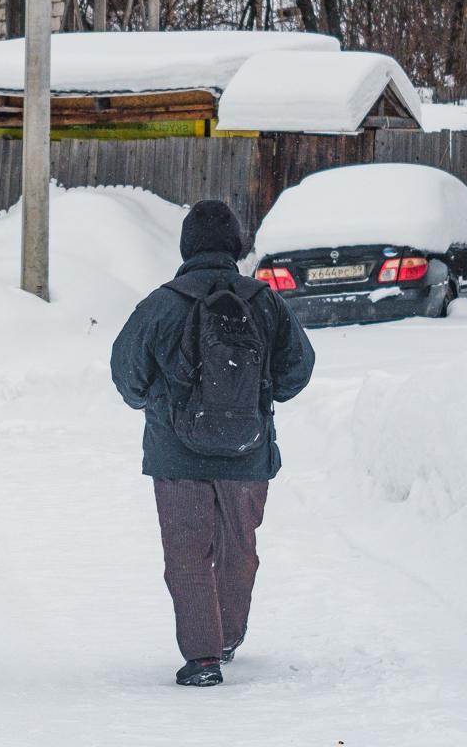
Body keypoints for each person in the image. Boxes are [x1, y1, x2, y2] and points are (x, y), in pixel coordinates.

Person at [109, 199, 316, 687]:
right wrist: (261, 398)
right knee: (239, 549)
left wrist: (153, 404)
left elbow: (126, 372)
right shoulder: (265, 301)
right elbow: (298, 367)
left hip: (176, 455)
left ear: (186, 247)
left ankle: (203, 657)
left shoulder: (161, 303)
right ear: (236, 246)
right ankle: (227, 637)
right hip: (247, 453)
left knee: (187, 553)